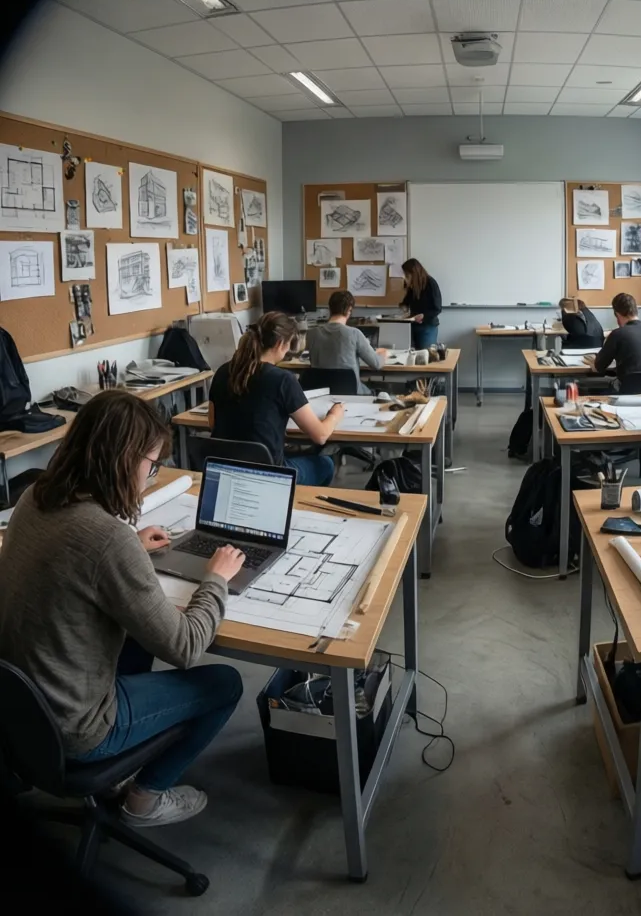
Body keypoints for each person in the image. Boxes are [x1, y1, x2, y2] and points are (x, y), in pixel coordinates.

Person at [0, 391, 245, 827]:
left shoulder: (34, 497)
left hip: (22, 710)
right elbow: (186, 647)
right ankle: (145, 799)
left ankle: (124, 770)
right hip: (78, 726)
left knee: (135, 633)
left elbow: (72, 559)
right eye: (151, 465)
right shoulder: (107, 537)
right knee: (225, 683)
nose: (150, 477)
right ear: (122, 460)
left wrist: (130, 543)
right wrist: (216, 579)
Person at [208, 312, 343, 486]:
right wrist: (335, 414)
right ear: (280, 344)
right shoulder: (282, 379)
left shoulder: (223, 371)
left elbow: (213, 423)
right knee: (325, 464)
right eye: (288, 346)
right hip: (268, 474)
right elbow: (321, 435)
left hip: (225, 469)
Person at [305, 290, 389, 393]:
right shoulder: (354, 334)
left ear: (329, 308)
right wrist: (383, 353)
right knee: (382, 391)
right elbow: (376, 364)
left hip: (320, 394)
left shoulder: (311, 334)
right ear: (349, 310)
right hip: (351, 395)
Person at [590, 292, 641, 377]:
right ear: (636, 310)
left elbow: (599, 367)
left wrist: (593, 362)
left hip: (627, 388)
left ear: (617, 314)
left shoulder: (617, 334)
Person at [400, 258, 442, 350]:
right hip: (412, 326)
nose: (405, 277)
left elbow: (437, 308)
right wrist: (404, 307)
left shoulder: (431, 283)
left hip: (427, 327)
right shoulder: (413, 286)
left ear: (414, 273)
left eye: (407, 275)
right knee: (412, 357)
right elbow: (406, 302)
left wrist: (424, 315)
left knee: (426, 356)